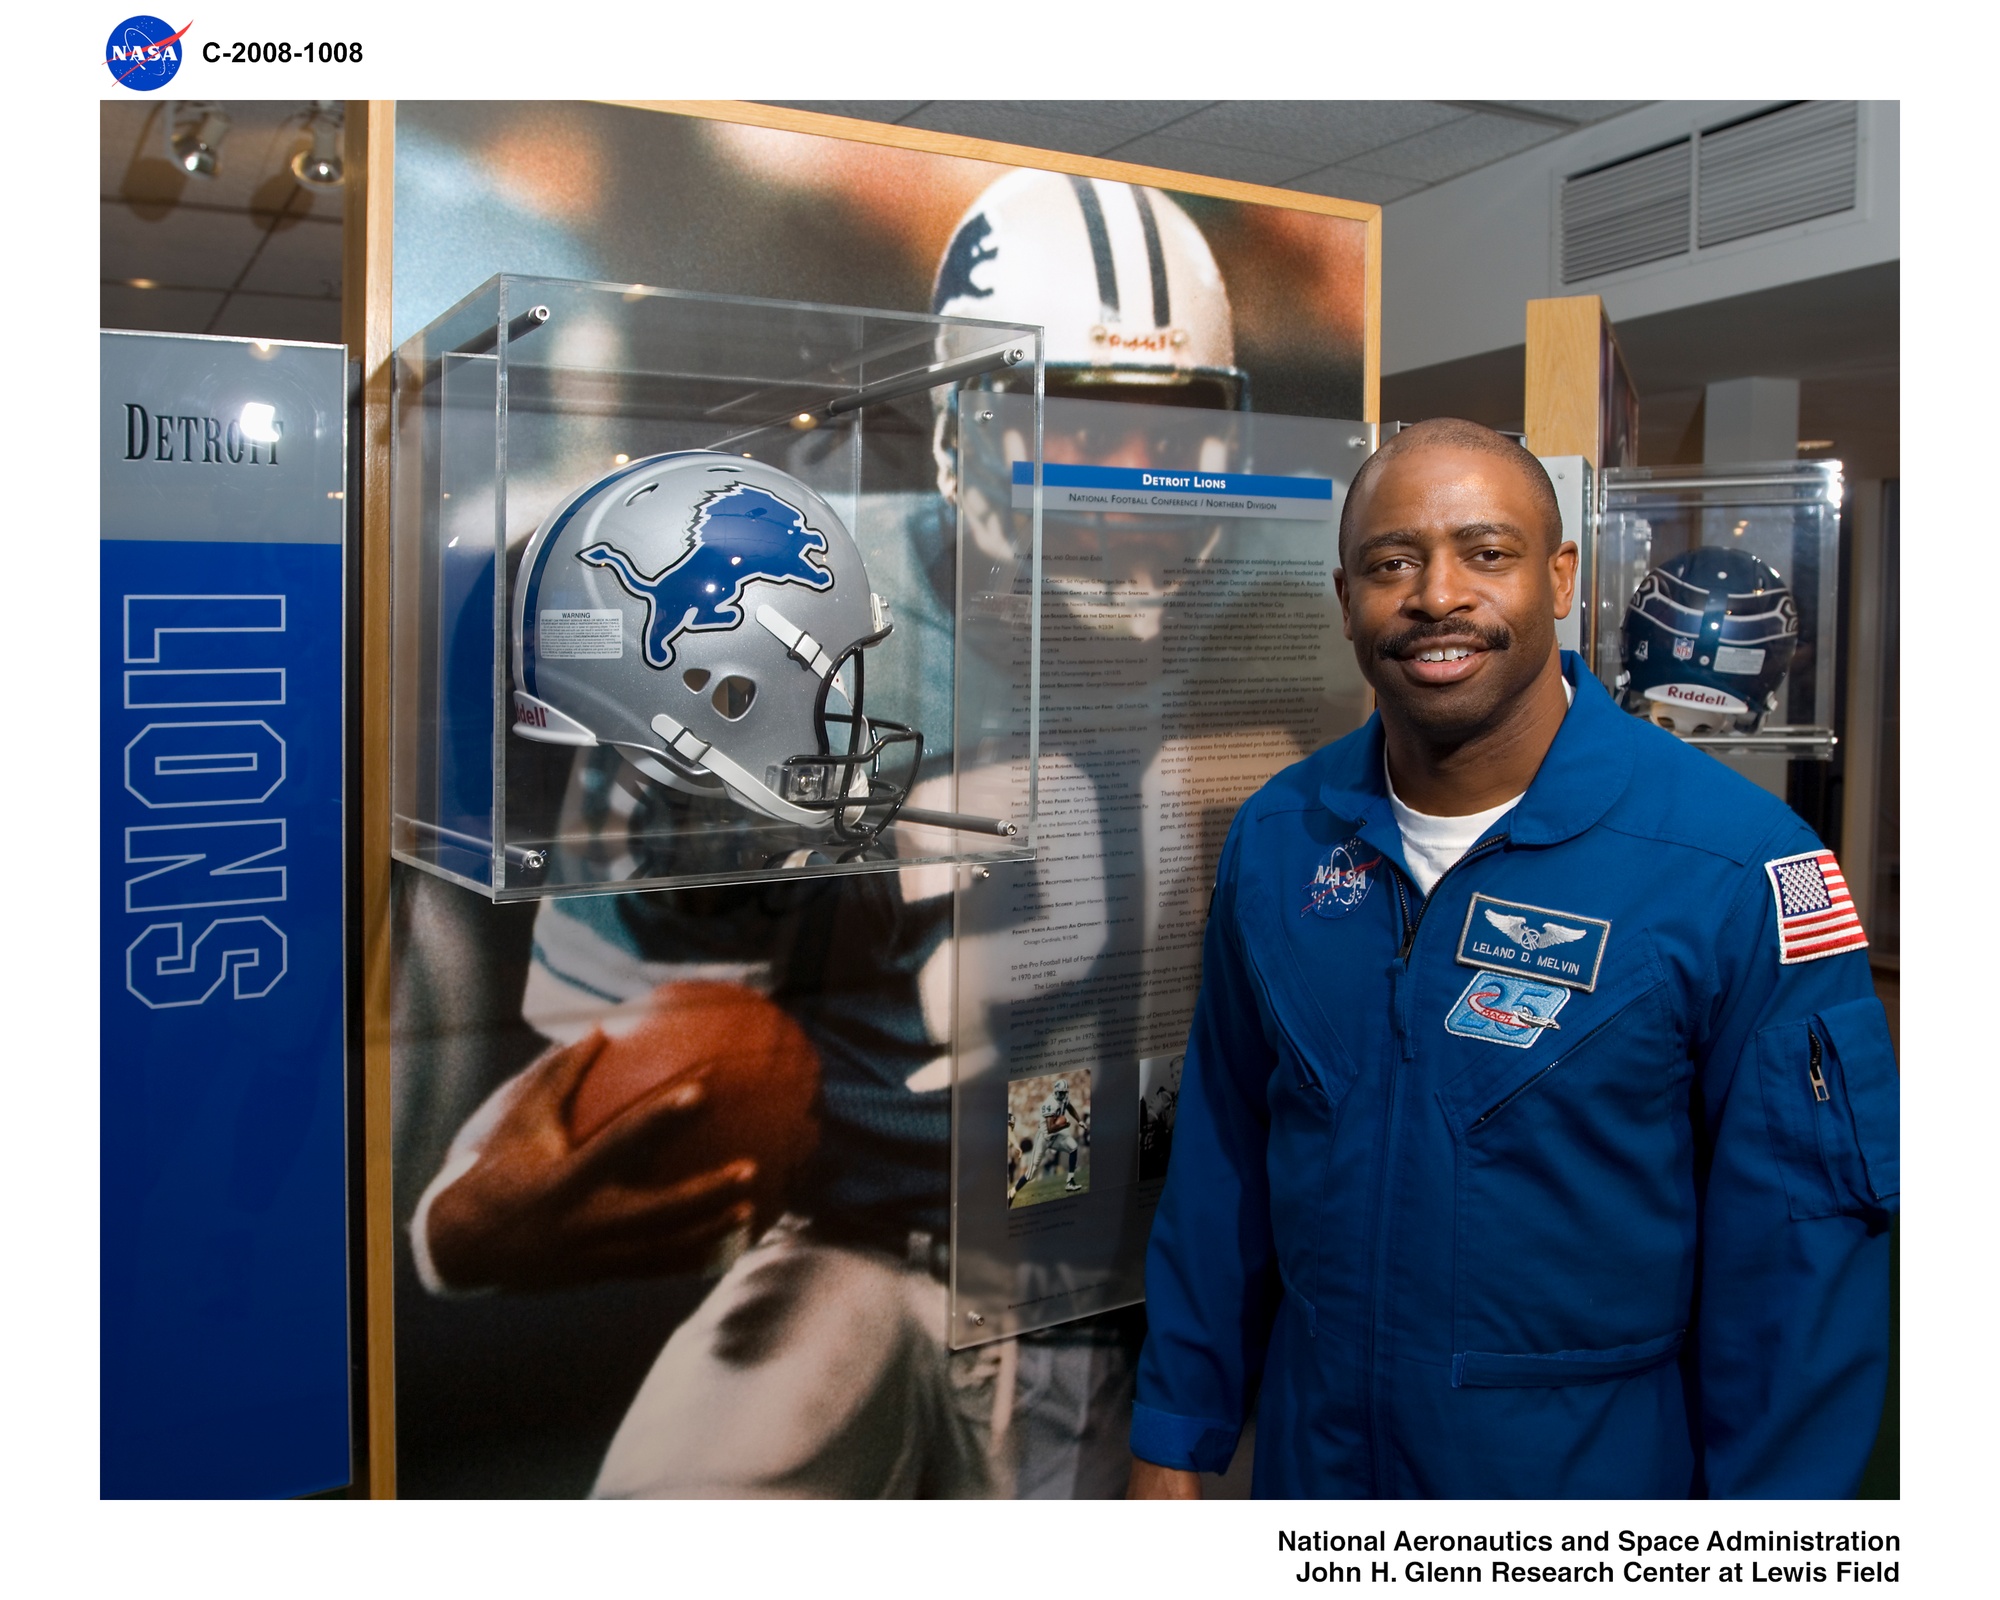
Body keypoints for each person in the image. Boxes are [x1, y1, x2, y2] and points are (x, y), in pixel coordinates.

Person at [1126, 418, 1898, 1499]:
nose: (1435, 594)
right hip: (1316, 1476)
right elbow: (1222, 1157)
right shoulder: (1279, 838)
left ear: (1558, 576)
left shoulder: (1735, 865)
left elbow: (1796, 1264)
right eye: (1391, 562)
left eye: (1484, 553)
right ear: (1343, 596)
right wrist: (1174, 1431)